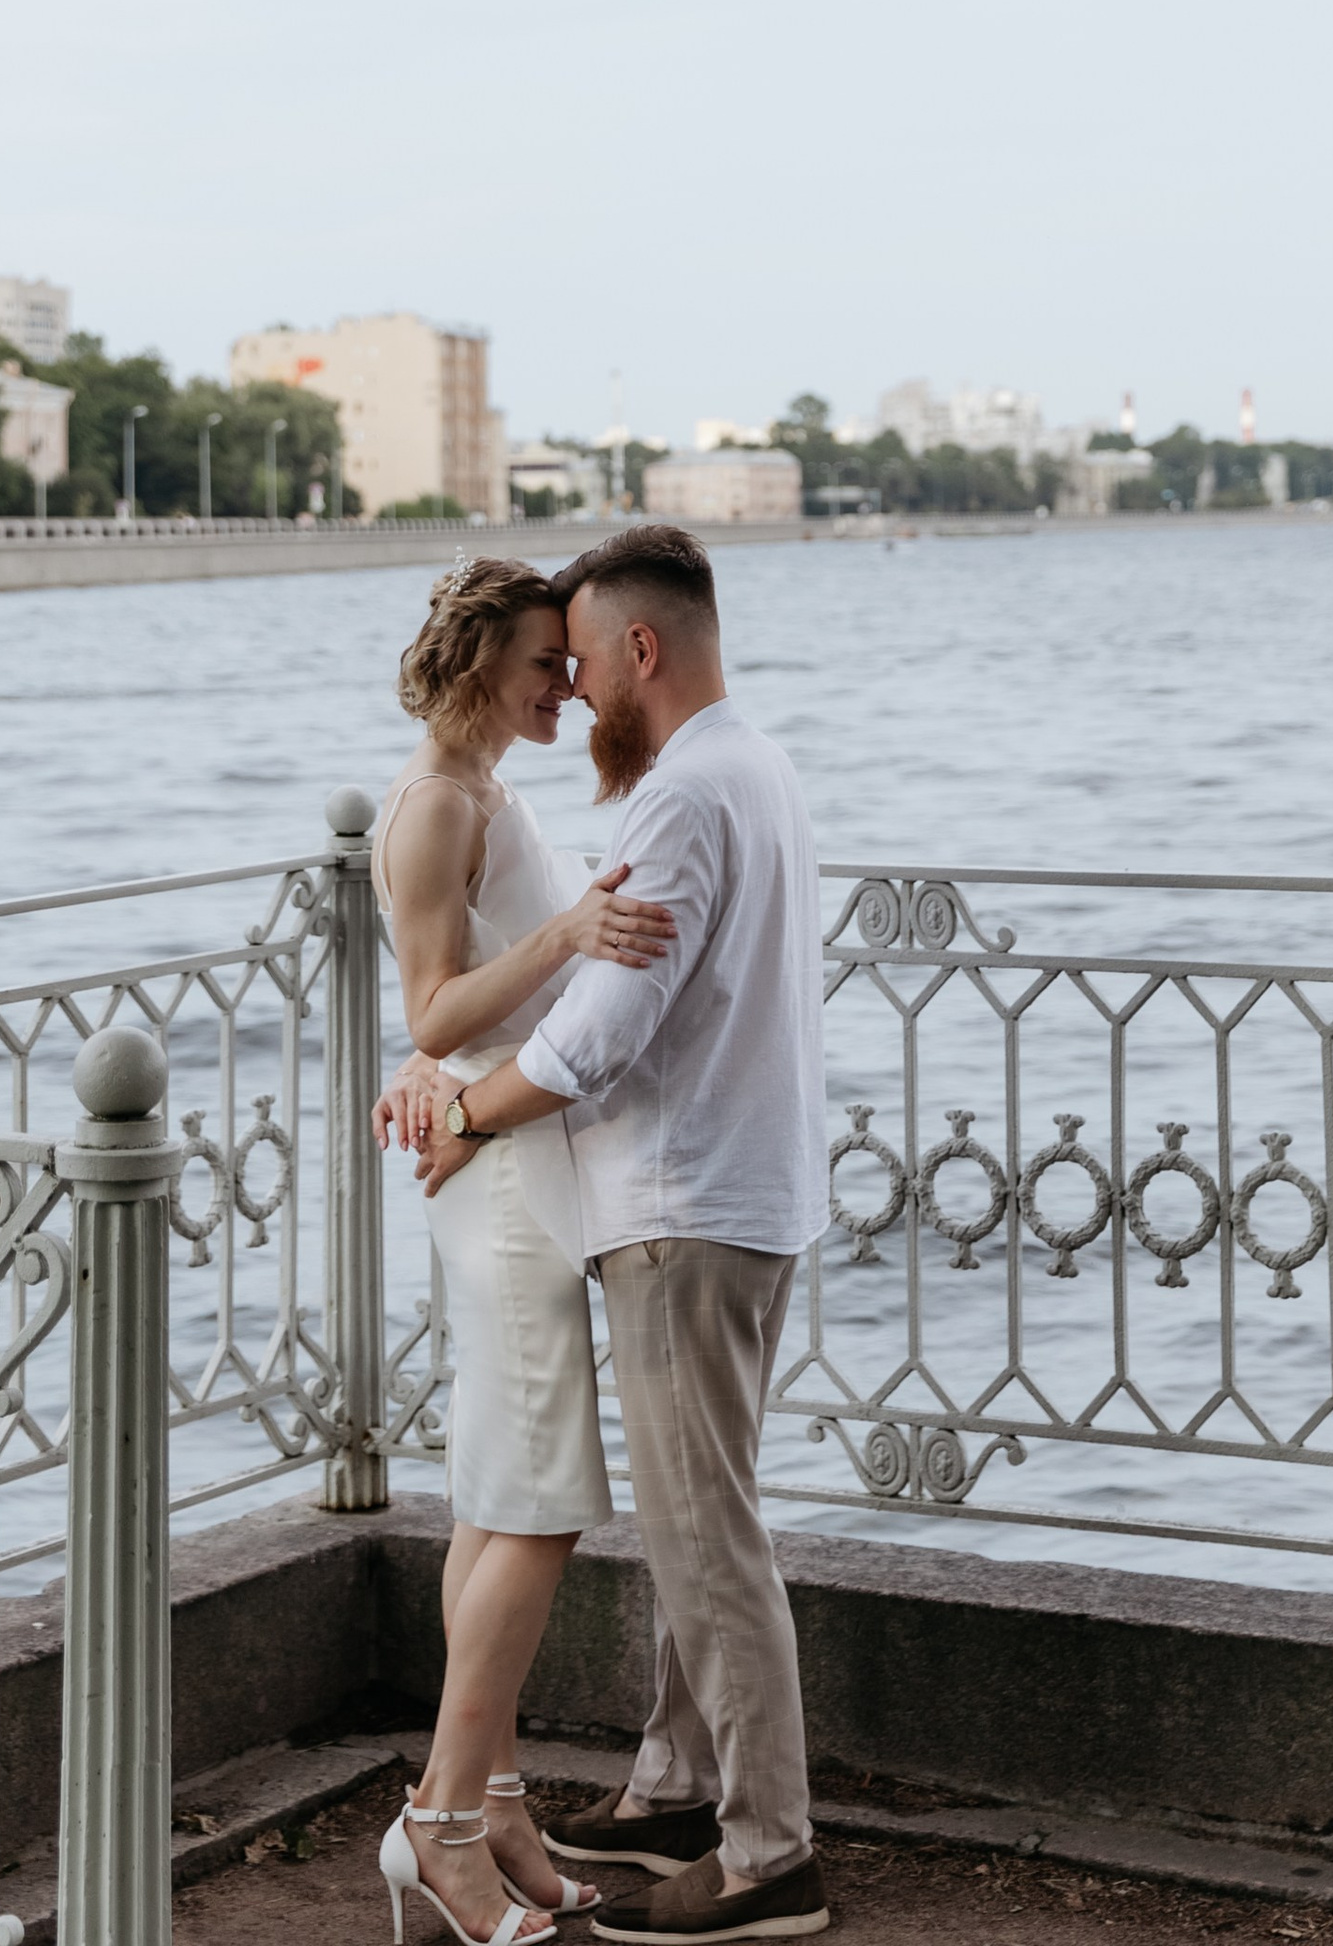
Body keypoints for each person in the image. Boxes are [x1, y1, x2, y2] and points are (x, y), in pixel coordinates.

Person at [409, 524, 831, 1946]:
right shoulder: (753, 766)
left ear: (641, 649)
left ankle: (771, 1856)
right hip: (746, 1189)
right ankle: (676, 1782)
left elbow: (597, 1038)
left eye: (584, 661)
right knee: (700, 1519)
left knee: (708, 1538)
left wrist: (467, 1118)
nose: (579, 690)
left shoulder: (674, 803)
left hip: (680, 1206)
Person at [369, 556, 683, 1946]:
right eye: (546, 666)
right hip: (496, 1176)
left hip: (521, 1156)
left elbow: (453, 1010)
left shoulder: (491, 793)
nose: (571, 683)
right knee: (542, 1496)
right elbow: (440, 1010)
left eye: (573, 662)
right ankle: (438, 1823)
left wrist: (446, 1042)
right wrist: (561, 935)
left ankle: (490, 1803)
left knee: (501, 1496)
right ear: (479, 663)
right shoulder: (437, 805)